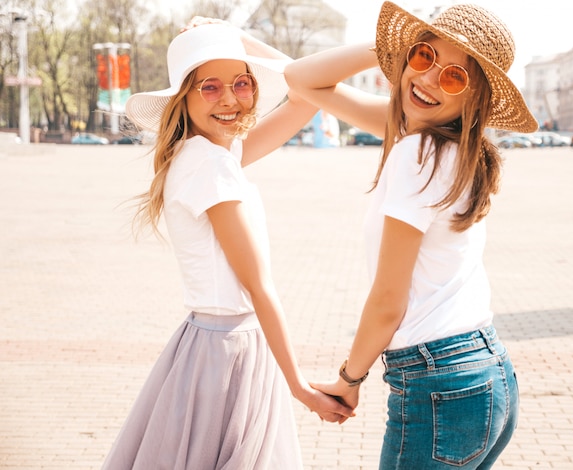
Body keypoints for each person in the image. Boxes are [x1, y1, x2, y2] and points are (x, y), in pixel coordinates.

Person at [285, 1, 538, 469]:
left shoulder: (418, 152)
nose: (427, 80)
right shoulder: (454, 146)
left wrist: (349, 378)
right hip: (488, 371)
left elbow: (387, 301)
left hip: (440, 382)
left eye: (453, 77)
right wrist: (395, 46)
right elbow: (301, 79)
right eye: (424, 57)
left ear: (473, 97)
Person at [101, 20, 353, 470]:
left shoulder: (212, 152)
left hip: (218, 345)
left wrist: (233, 36)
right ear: (185, 97)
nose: (230, 99)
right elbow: (258, 287)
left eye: (242, 83)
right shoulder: (209, 166)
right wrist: (301, 388)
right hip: (227, 353)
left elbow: (308, 90)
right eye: (210, 87)